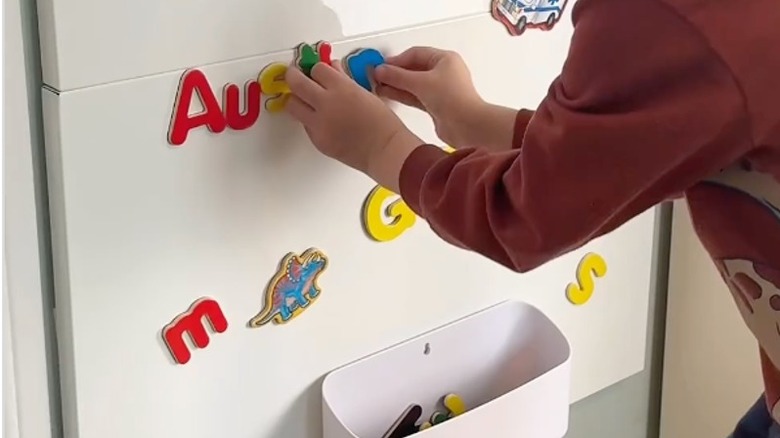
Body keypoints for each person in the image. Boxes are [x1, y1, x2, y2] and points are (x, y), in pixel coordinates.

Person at [282, 0, 780, 435]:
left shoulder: (672, 18)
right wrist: (472, 119)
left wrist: (382, 148)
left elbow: (520, 218)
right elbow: (630, 154)